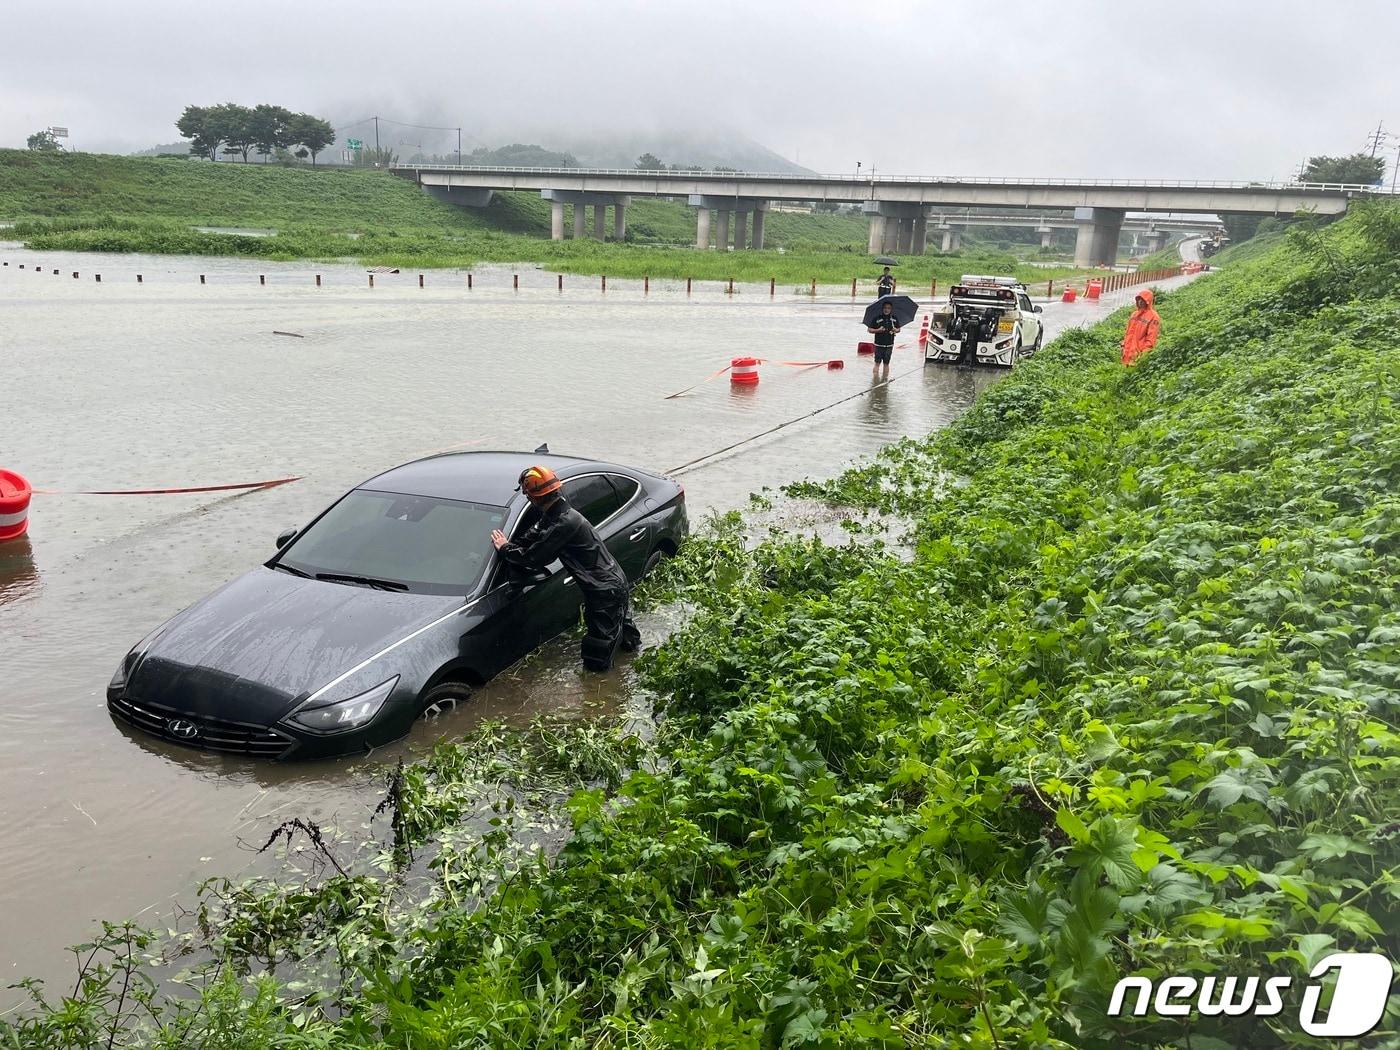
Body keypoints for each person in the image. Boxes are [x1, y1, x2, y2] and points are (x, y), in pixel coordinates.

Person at [491, 465, 641, 671]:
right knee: (623, 635)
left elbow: (533, 558)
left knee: (598, 651)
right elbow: (534, 536)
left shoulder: (564, 523)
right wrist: (514, 543)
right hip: (611, 584)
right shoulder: (557, 513)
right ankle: (631, 667)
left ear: (534, 498)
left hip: (604, 590)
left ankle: (602, 689)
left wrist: (505, 548)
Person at [1121, 288, 1161, 366]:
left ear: (1148, 302)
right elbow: (1128, 333)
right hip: (1126, 354)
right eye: (1139, 299)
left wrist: (1142, 355)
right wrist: (1123, 345)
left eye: (1143, 300)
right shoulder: (1134, 314)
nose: (1140, 302)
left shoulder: (1154, 317)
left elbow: (1151, 340)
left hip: (1138, 357)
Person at [867, 299, 900, 376]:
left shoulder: (894, 319)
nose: (886, 310)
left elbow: (899, 329)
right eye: (885, 308)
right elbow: (869, 329)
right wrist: (878, 330)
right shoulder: (877, 318)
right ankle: (875, 380)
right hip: (879, 345)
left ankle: (885, 381)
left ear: (891, 309)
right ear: (882, 308)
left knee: (886, 363)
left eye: (888, 308)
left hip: (889, 345)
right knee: (877, 363)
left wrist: (896, 330)